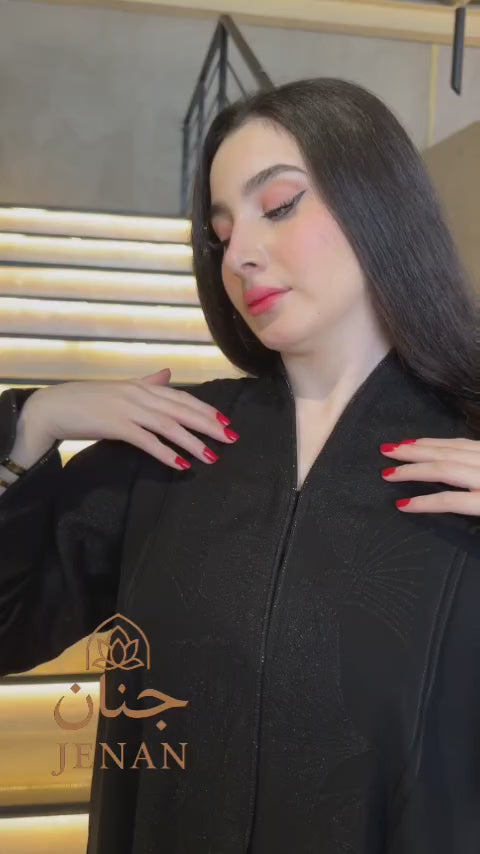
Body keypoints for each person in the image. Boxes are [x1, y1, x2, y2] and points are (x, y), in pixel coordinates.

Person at [1, 77, 479, 854]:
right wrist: (32, 423)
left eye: (279, 205)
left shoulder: (468, 456)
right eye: (222, 234)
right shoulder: (171, 446)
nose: (241, 256)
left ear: (379, 203)